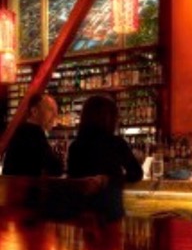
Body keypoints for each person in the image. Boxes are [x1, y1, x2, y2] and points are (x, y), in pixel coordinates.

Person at [67, 94, 143, 224]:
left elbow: (72, 178)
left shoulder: (75, 146)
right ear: (110, 118)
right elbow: (136, 174)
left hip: (82, 212)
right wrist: (110, 179)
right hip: (109, 211)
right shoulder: (116, 143)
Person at [2, 93, 64, 177]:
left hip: (12, 184)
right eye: (50, 110)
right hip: (24, 185)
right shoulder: (34, 132)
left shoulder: (21, 130)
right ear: (34, 111)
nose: (55, 115)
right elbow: (55, 169)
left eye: (56, 111)